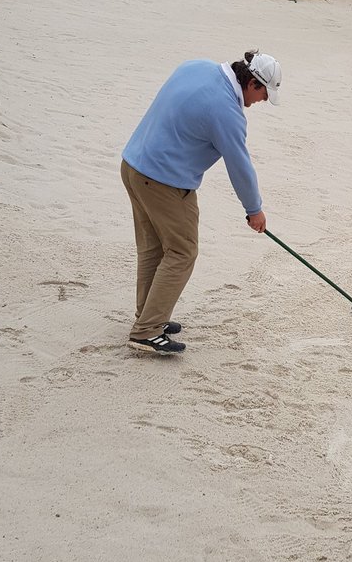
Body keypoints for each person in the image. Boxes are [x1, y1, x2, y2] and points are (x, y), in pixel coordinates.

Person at [120, 49, 282, 355]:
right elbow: (240, 166)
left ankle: (150, 316)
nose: (262, 101)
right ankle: (146, 332)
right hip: (162, 181)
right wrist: (254, 209)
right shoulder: (227, 112)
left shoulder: (197, 66)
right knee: (182, 251)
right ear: (252, 83)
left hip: (133, 165)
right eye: (263, 94)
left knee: (154, 248)